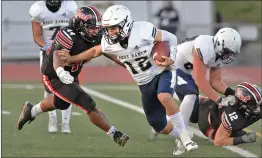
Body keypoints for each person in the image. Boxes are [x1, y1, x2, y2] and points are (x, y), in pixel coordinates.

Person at [58, 4, 198, 155]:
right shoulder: (109, 43)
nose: (110, 32)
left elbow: (171, 37)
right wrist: (73, 58)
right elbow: (94, 51)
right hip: (144, 82)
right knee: (159, 125)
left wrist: (172, 56)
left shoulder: (143, 30)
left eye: (114, 27)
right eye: (108, 28)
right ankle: (182, 136)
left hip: (161, 71)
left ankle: (185, 138)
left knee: (164, 96)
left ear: (125, 24)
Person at [17, 6, 129, 147]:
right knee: (87, 103)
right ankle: (115, 134)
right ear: (80, 25)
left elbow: (109, 52)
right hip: (54, 74)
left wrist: (129, 64)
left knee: (62, 103)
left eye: (96, 28)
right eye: (91, 28)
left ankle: (31, 111)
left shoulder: (97, 35)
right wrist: (60, 71)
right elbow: (58, 54)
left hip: (71, 73)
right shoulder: (68, 33)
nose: (95, 31)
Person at [149, 27, 242, 155]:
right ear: (219, 45)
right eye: (227, 53)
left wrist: (234, 94)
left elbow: (215, 82)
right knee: (191, 94)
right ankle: (182, 137)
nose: (229, 57)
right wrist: (219, 100)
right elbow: (200, 81)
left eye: (232, 54)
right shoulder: (204, 46)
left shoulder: (219, 54)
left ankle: (160, 123)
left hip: (184, 73)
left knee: (194, 114)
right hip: (172, 66)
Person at [29, 0, 78, 133]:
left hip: (66, 52)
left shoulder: (70, 7)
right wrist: (48, 47)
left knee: (69, 84)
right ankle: (52, 118)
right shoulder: (38, 9)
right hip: (47, 52)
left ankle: (66, 122)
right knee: (49, 86)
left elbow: (76, 30)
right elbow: (37, 36)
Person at [175, 82, 262, 154]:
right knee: (239, 135)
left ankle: (195, 101)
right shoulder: (232, 115)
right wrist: (243, 139)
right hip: (208, 123)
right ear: (241, 105)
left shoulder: (254, 106)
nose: (257, 108)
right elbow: (218, 141)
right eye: (252, 106)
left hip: (213, 105)